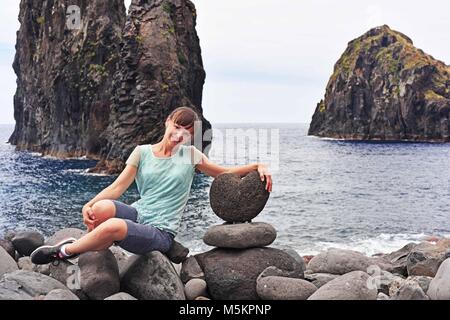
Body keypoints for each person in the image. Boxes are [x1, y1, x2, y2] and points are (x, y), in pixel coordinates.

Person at [30, 107, 273, 265]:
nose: (179, 135)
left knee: (114, 225)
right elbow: (117, 187)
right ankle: (98, 244)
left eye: (186, 133)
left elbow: (224, 173)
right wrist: (89, 204)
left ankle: (66, 252)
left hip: (161, 230)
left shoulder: (191, 156)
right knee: (102, 208)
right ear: (168, 122)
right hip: (139, 214)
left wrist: (257, 166)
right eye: (177, 127)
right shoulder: (142, 152)